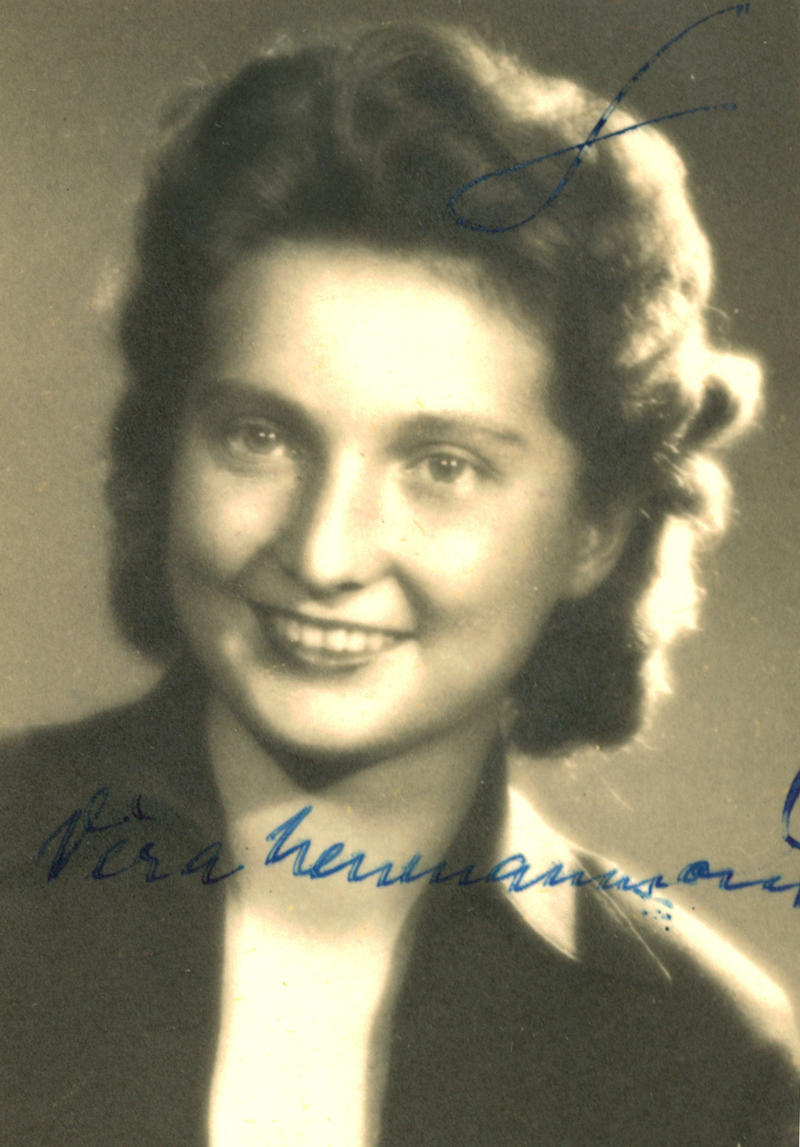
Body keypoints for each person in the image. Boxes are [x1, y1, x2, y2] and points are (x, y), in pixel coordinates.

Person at [2, 21, 797, 1146]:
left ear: (596, 528)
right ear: (167, 448)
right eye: (260, 436)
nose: (324, 552)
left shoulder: (709, 1070)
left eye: (442, 467)